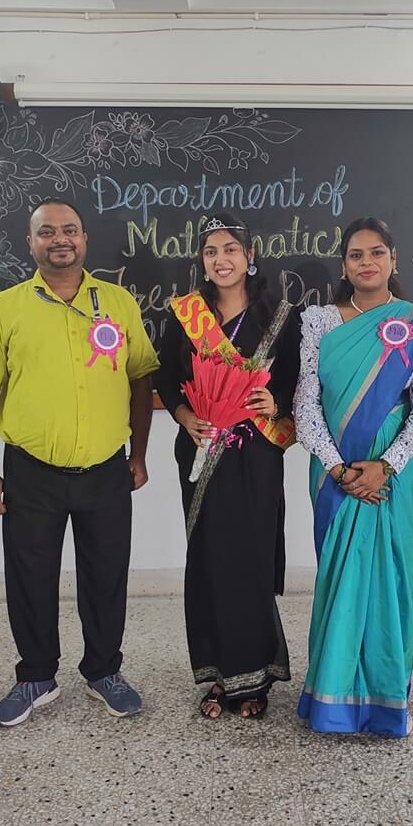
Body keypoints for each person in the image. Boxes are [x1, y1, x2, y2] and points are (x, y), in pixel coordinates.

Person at [0, 198, 159, 727]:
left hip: (106, 469)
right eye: (46, 232)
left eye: (69, 230)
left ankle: (104, 672)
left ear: (85, 239)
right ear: (31, 243)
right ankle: (36, 677)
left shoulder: (118, 303)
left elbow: (140, 380)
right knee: (30, 576)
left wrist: (139, 453)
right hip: (31, 472)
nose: (59, 239)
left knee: (106, 575)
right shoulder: (4, 309)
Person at [293, 217, 413, 738]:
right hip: (334, 472)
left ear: (393, 260)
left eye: (377, 252)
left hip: (394, 474)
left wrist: (386, 464)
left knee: (390, 579)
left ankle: (386, 701)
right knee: (340, 579)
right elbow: (305, 403)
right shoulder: (319, 321)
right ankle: (331, 698)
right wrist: (338, 467)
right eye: (356, 254)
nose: (367, 262)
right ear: (344, 266)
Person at [155, 213, 301, 720]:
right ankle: (218, 674)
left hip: (256, 455)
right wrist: (184, 416)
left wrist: (276, 401)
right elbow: (166, 376)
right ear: (202, 260)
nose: (221, 260)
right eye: (211, 251)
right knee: (210, 560)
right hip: (201, 451)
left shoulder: (282, 316)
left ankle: (255, 677)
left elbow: (300, 380)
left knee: (251, 559)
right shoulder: (185, 315)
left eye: (231, 249)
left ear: (249, 255)